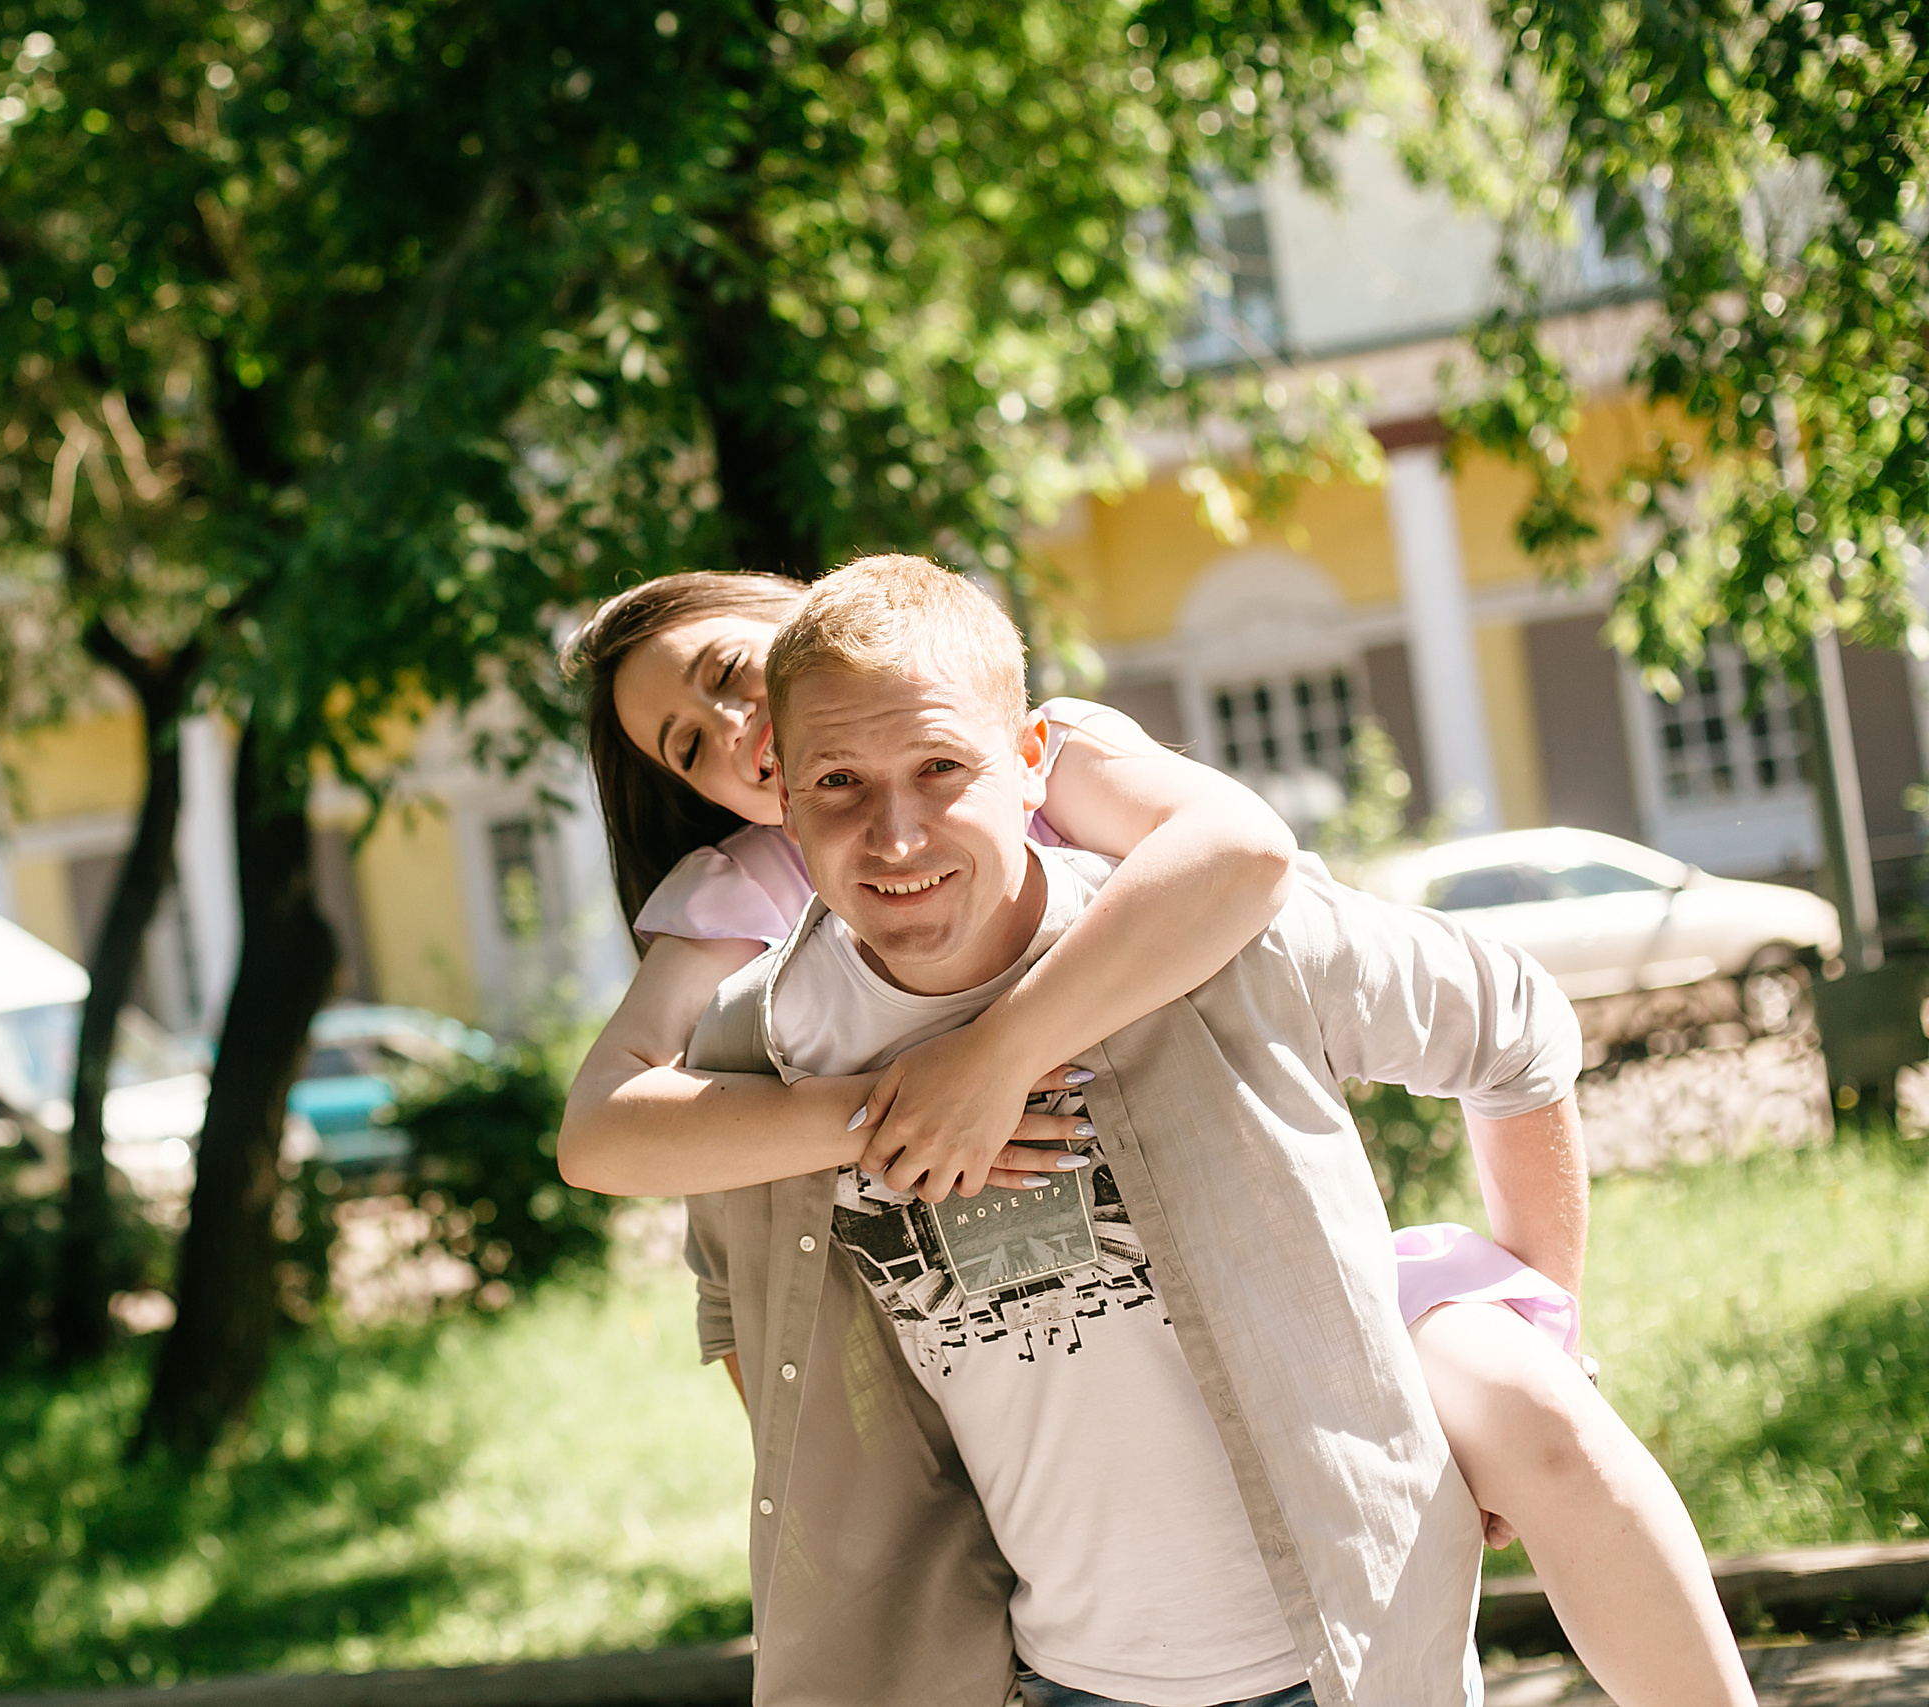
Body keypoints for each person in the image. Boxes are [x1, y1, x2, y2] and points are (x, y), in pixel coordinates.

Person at [560, 562, 1754, 1707]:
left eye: (728, 674)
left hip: (1340, 1559)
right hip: (1071, 1657)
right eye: (692, 745)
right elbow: (684, 1228)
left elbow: (1256, 860)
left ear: (1021, 760)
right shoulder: (744, 1010)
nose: (734, 729)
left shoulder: (1157, 862)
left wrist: (992, 1059)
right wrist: (874, 1118)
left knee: (1539, 1419)